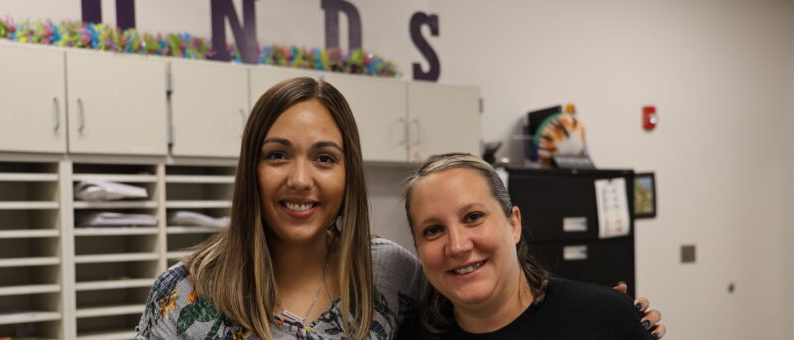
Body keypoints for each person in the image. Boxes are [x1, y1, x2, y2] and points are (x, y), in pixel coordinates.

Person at [136, 77, 664, 339]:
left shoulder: (390, 274)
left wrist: (612, 316)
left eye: (325, 157)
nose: (301, 179)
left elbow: (498, 304)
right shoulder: (182, 295)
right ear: (251, 168)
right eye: (277, 155)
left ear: (349, 174)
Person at [399, 153, 667, 339]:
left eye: (473, 217)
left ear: (513, 224)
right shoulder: (409, 334)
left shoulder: (604, 320)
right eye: (433, 230)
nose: (457, 246)